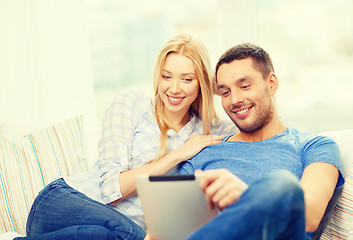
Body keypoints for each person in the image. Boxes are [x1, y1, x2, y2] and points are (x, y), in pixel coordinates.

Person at [15, 34, 237, 240]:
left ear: (202, 83)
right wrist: (177, 155)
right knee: (132, 234)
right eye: (166, 76)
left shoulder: (209, 131)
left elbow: (256, 131)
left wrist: (219, 88)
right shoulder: (133, 103)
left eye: (187, 79)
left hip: (102, 232)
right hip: (63, 203)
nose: (174, 88)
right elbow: (112, 189)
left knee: (125, 235)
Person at [174, 43, 344, 240]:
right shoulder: (204, 154)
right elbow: (173, 224)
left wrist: (247, 197)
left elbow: (310, 215)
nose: (235, 99)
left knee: (283, 185)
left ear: (271, 84)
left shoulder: (315, 146)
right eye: (225, 92)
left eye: (245, 86)